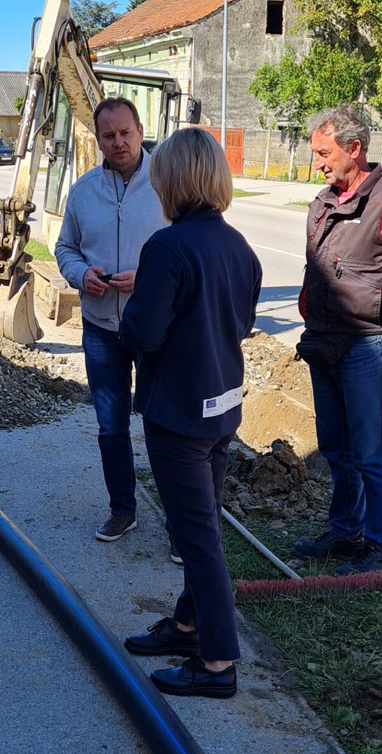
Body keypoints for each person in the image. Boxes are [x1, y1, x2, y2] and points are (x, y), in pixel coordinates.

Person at [119, 128, 262, 699]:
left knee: (197, 537)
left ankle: (219, 661)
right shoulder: (240, 248)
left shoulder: (168, 247)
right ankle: (187, 625)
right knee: (201, 525)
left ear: (172, 182)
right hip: (222, 405)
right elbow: (244, 323)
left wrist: (130, 323)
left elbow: (144, 333)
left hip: (178, 414)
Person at [290, 105, 382, 575]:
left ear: (355, 149)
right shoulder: (323, 202)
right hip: (324, 343)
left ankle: (380, 548)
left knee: (371, 451)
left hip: (366, 348)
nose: (318, 163)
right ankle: (344, 532)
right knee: (336, 448)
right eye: (316, 154)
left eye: (324, 153)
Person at [54, 97, 168, 545]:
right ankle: (123, 509)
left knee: (164, 426)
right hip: (101, 329)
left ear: (140, 132)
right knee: (110, 425)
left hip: (155, 327)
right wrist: (81, 274)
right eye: (108, 136)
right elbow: (65, 248)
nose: (118, 142)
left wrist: (150, 277)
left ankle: (180, 525)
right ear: (97, 139)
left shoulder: (167, 183)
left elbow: (187, 247)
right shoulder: (83, 192)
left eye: (125, 133)